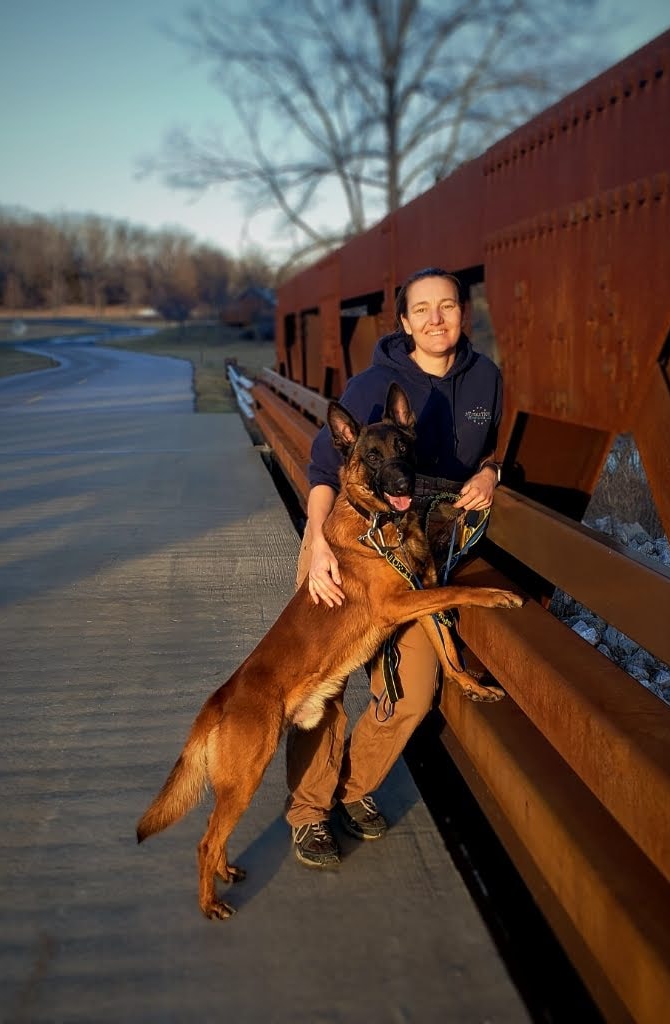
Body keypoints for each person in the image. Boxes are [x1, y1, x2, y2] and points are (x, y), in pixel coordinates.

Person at [285, 266, 503, 867]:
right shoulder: (370, 384)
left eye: (449, 305)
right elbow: (327, 469)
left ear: (465, 311)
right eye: (423, 309)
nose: (438, 318)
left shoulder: (485, 378)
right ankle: (307, 814)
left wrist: (490, 472)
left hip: (416, 559)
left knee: (412, 693)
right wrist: (317, 543)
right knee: (318, 690)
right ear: (404, 321)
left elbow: (489, 449)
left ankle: (350, 791)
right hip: (347, 549)